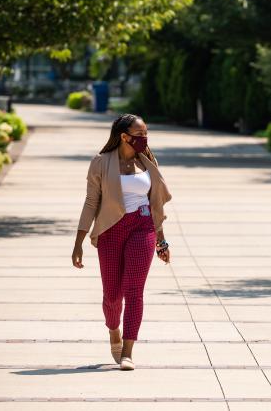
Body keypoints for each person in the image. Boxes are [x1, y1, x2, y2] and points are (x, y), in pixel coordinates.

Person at [71, 114, 172, 371]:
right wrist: (79, 241)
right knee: (112, 295)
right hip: (111, 230)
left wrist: (161, 241)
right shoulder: (101, 162)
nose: (144, 139)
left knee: (134, 291)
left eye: (146, 133)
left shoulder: (147, 160)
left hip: (142, 226)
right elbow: (91, 201)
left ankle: (128, 352)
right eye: (139, 135)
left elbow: (155, 203)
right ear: (124, 136)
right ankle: (113, 331)